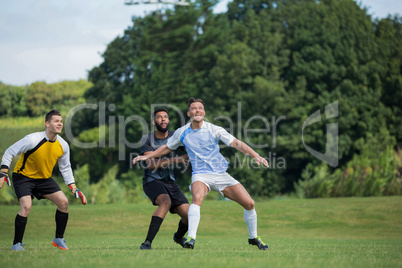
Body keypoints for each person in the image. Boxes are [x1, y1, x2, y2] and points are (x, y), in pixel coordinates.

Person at [133, 97, 269, 250]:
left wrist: (256, 155)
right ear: (189, 113)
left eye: (200, 108)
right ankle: (191, 238)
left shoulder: (214, 129)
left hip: (220, 174)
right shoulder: (182, 132)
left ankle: (253, 237)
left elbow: (236, 143)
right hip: (200, 175)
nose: (197, 110)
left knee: (250, 203)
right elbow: (166, 148)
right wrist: (147, 156)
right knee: (197, 198)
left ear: (203, 112)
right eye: (194, 108)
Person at [0, 109, 87, 251]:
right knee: (26, 206)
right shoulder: (32, 139)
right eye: (56, 121)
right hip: (23, 177)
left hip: (44, 179)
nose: (60, 124)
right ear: (47, 123)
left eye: (61, 121)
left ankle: (58, 239)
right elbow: (10, 151)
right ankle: (16, 244)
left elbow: (65, 167)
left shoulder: (63, 145)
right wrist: (3, 172)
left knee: (64, 202)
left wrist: (73, 187)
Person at [138, 108, 190, 250]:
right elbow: (152, 164)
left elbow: (189, 148)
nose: (163, 119)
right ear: (154, 122)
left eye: (166, 117)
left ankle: (178, 237)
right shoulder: (147, 139)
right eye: (159, 117)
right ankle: (147, 243)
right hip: (152, 180)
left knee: (190, 216)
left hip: (170, 182)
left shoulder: (175, 136)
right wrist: (177, 159)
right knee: (165, 202)